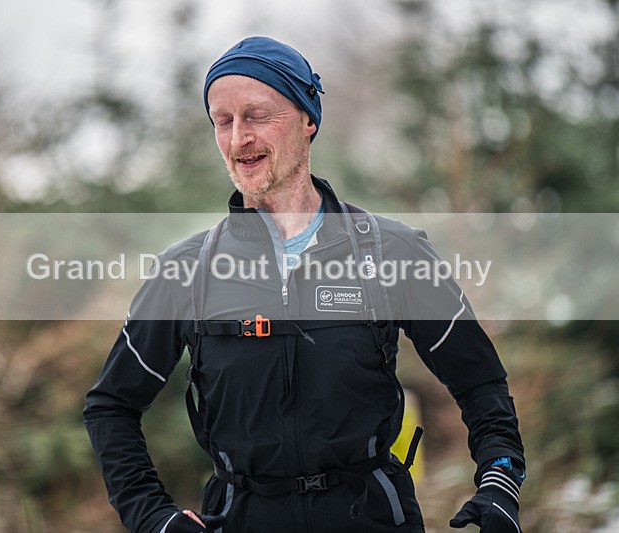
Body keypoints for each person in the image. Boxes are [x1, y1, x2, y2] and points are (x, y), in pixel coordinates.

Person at [84, 36, 525, 533]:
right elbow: (112, 406)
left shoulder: (392, 252)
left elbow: (479, 380)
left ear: (307, 119)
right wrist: (151, 516)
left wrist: (499, 480)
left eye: (256, 116)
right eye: (223, 121)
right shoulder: (187, 271)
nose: (238, 139)